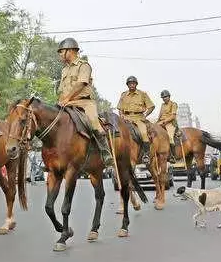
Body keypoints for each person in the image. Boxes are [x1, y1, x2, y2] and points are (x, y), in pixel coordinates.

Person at [55, 38, 112, 166]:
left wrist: (67, 98)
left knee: (94, 123)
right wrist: (60, 101)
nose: (59, 54)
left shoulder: (84, 65)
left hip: (84, 103)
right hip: (66, 103)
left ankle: (105, 152)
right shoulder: (64, 70)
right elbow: (61, 90)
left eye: (61, 51)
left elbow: (81, 83)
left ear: (70, 51)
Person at [117, 76, 155, 164]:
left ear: (136, 84)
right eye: (130, 83)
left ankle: (146, 155)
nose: (132, 85)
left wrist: (145, 114)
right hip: (126, 118)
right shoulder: (123, 95)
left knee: (144, 133)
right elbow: (119, 108)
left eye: (133, 83)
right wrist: (121, 115)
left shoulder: (143, 94)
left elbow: (151, 106)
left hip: (139, 118)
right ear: (127, 85)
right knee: (117, 132)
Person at [157, 90, 182, 163]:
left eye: (166, 97)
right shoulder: (162, 105)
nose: (164, 98)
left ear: (169, 97)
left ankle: (173, 156)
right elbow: (160, 115)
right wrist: (156, 123)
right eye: (163, 97)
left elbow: (173, 116)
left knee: (170, 138)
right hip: (161, 122)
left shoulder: (173, 104)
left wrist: (164, 122)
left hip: (170, 123)